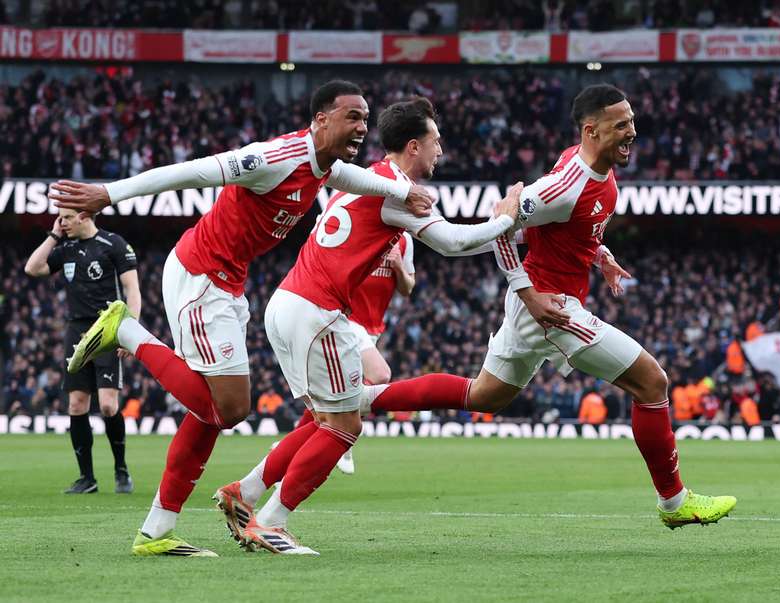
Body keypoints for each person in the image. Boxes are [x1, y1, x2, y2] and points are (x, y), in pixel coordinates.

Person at [51, 80, 434, 557]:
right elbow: (192, 172)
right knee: (230, 409)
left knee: (208, 413)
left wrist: (405, 191)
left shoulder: (326, 166)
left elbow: (361, 181)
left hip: (228, 284)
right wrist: (110, 193)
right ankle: (125, 329)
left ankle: (155, 531)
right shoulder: (274, 157)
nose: (362, 127)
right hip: (199, 274)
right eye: (352, 116)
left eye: (365, 118)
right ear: (321, 120)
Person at [358, 85, 737, 529]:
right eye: (622, 125)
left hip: (541, 303)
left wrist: (598, 254)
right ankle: (675, 503)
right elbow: (502, 225)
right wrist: (528, 293)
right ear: (591, 131)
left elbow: (560, 230)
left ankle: (361, 399)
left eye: (632, 121)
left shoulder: (594, 168)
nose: (632, 132)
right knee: (652, 382)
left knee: (485, 396)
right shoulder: (562, 187)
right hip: (551, 307)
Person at [212, 97, 522, 554]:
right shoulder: (395, 190)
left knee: (325, 418)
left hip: (289, 303)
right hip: (316, 311)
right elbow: (453, 243)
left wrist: (506, 231)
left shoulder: (369, 177)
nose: (440, 150)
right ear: (413, 146)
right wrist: (506, 218)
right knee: (344, 426)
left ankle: (245, 492)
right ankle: (272, 522)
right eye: (436, 141)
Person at [24, 208, 140, 494]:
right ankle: (87, 478)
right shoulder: (66, 249)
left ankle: (121, 469)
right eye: (60, 218)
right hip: (76, 330)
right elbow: (32, 268)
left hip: (107, 329)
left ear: (84, 216)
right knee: (76, 404)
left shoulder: (114, 244)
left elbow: (132, 290)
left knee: (109, 405)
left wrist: (131, 331)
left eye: (66, 217)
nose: (62, 222)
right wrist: (54, 235)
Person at [294, 232, 417, 475]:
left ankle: (291, 447)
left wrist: (399, 267)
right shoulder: (361, 227)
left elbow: (407, 288)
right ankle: (344, 437)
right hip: (345, 318)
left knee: (337, 393)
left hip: (372, 328)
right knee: (380, 375)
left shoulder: (405, 240)